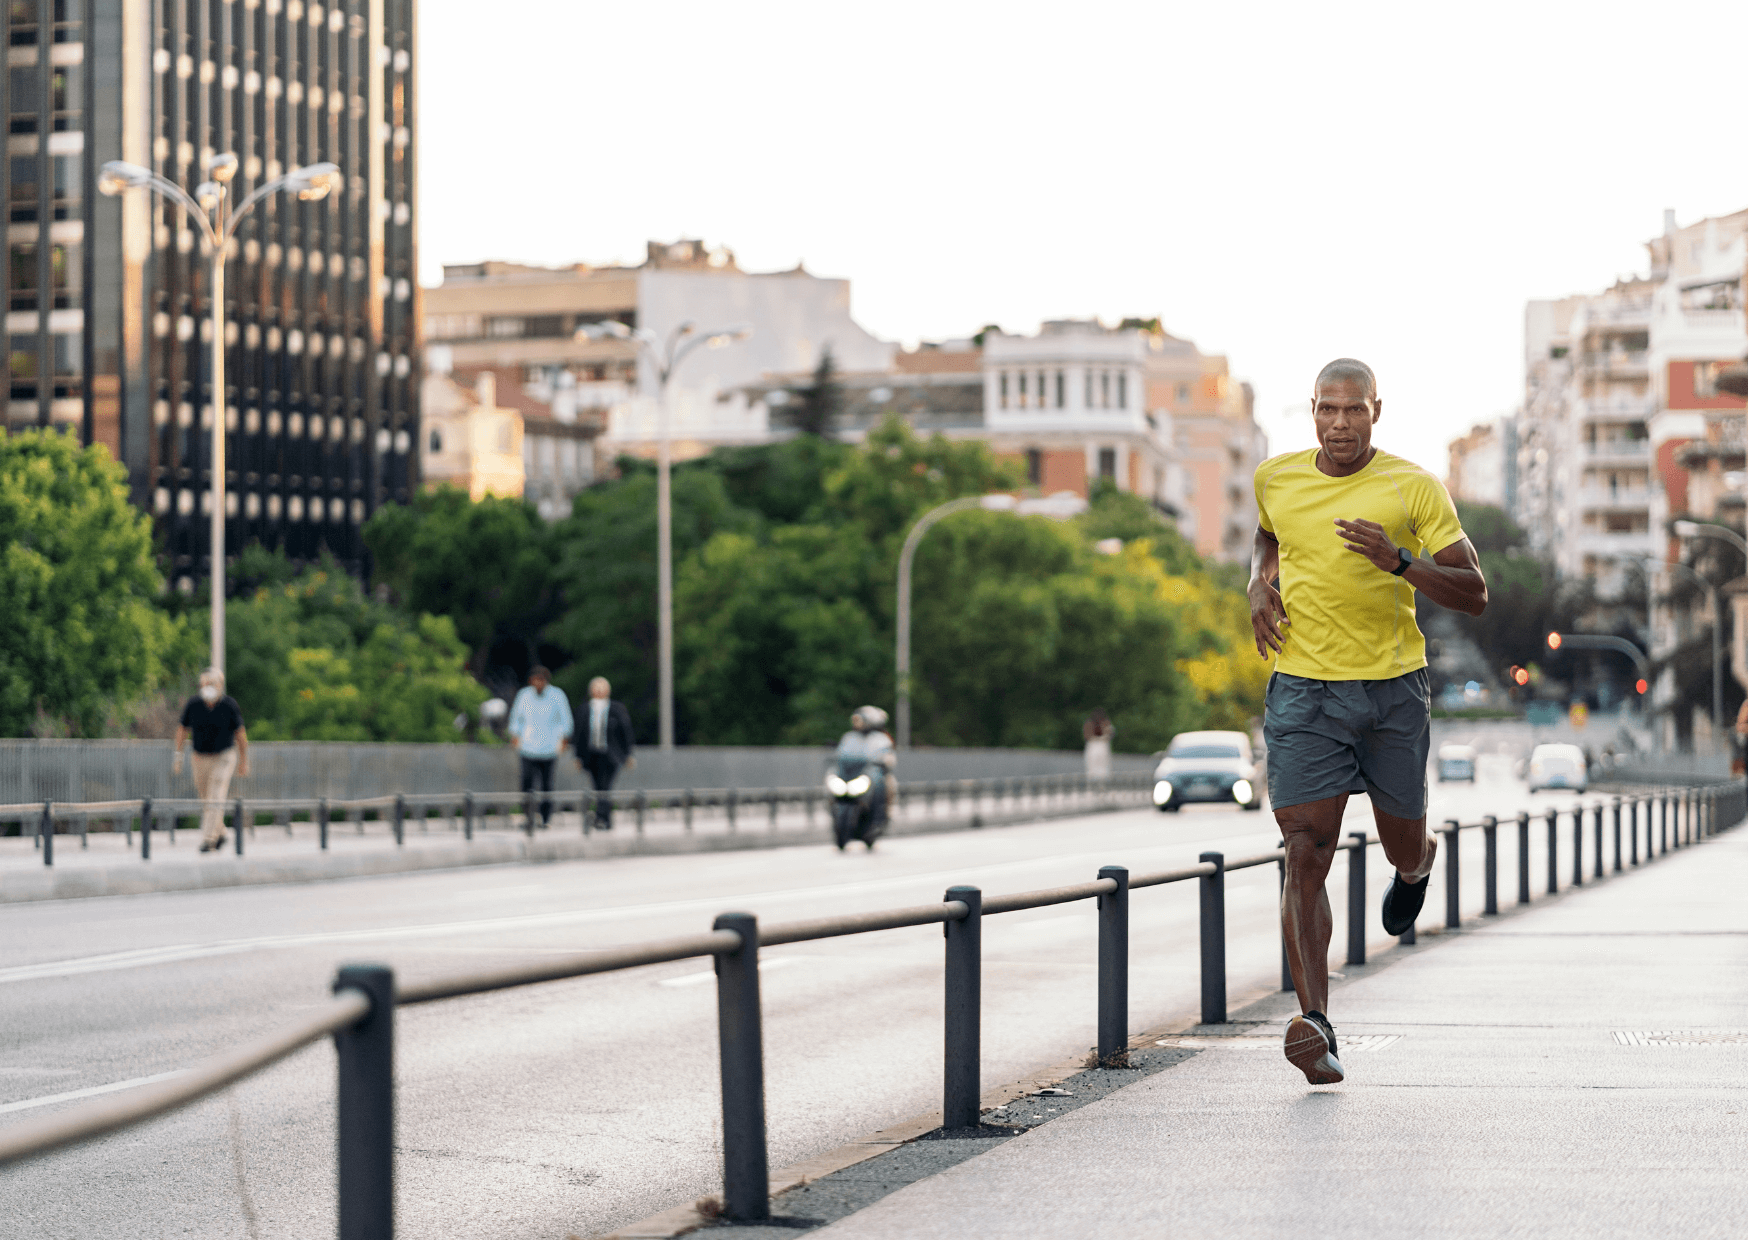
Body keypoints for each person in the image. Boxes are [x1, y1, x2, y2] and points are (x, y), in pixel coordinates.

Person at [1249, 358, 1488, 1085]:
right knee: (1303, 849)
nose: (1341, 423)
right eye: (1328, 409)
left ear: (1376, 412)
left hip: (1390, 693)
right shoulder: (1276, 478)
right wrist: (1258, 583)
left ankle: (1416, 864)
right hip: (1304, 691)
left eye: (1355, 410)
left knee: (1399, 841)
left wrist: (1399, 560)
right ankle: (1314, 1023)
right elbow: (1269, 535)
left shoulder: (1412, 487)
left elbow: (1474, 591)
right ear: (1312, 411)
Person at [172, 667, 249, 853]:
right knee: (206, 799)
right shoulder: (194, 704)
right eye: (204, 684)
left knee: (216, 795)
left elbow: (240, 735)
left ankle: (209, 839)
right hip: (200, 757)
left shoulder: (229, 705)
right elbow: (182, 730)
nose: (207, 687)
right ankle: (220, 832)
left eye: (211, 684)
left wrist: (243, 761)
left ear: (220, 685)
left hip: (224, 756)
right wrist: (178, 757)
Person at [508, 666, 573, 830]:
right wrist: (515, 735)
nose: (538, 684)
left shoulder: (556, 695)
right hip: (528, 747)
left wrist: (564, 738)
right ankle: (528, 816)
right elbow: (517, 717)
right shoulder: (524, 695)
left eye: (541, 680)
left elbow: (565, 718)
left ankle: (545, 818)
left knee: (546, 785)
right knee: (527, 784)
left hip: (549, 747)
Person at [578, 677, 635, 829]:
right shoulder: (585, 709)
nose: (599, 690)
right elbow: (579, 734)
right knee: (598, 787)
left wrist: (628, 754)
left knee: (606, 786)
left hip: (611, 754)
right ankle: (605, 818)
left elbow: (625, 731)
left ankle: (600, 817)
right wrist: (578, 756)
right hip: (592, 754)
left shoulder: (616, 708)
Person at [836, 706, 895, 824]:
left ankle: (887, 810)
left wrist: (886, 760)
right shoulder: (849, 737)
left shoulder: (880, 738)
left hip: (870, 773)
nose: (857, 723)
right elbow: (840, 753)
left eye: (859, 720)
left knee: (889, 783)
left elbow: (889, 755)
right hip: (850, 773)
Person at [1083, 708, 1115, 780]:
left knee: (1102, 765)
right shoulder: (1090, 723)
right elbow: (1088, 735)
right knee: (1093, 764)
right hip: (1094, 744)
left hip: (1101, 745)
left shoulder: (1106, 723)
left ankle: (1101, 780)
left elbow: (1110, 734)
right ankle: (1094, 779)